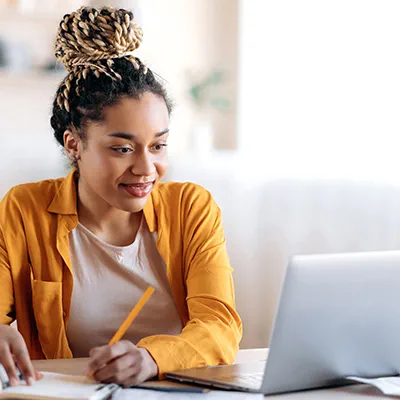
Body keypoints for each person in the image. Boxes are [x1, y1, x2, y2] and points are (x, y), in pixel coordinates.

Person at [0, 5, 242, 388]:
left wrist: (150, 358)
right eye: (123, 149)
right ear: (74, 144)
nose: (147, 168)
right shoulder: (24, 209)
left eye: (158, 146)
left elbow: (219, 325)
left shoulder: (191, 208)